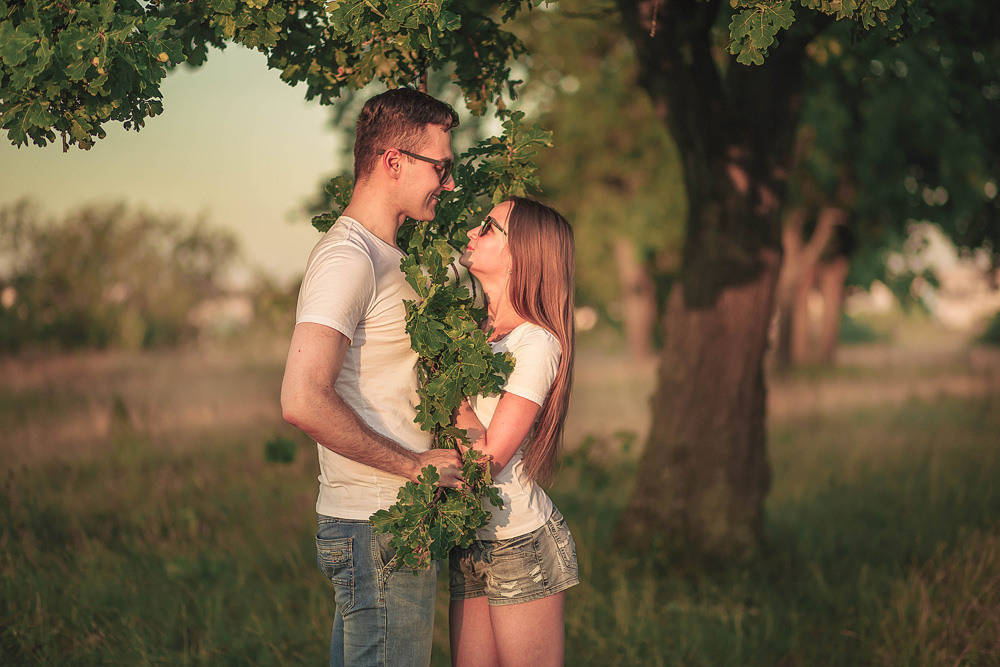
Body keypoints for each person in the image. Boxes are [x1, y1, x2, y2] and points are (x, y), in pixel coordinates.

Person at [280, 87, 466, 667]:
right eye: (442, 166)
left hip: (385, 524)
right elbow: (302, 398)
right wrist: (414, 467)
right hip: (376, 524)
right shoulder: (348, 257)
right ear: (393, 162)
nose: (451, 183)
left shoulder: (389, 256)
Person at [449, 197, 579, 667]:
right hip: (470, 536)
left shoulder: (536, 342)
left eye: (488, 228)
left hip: (520, 541)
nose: (472, 231)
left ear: (519, 254)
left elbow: (490, 458)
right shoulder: (475, 331)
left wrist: (449, 393)